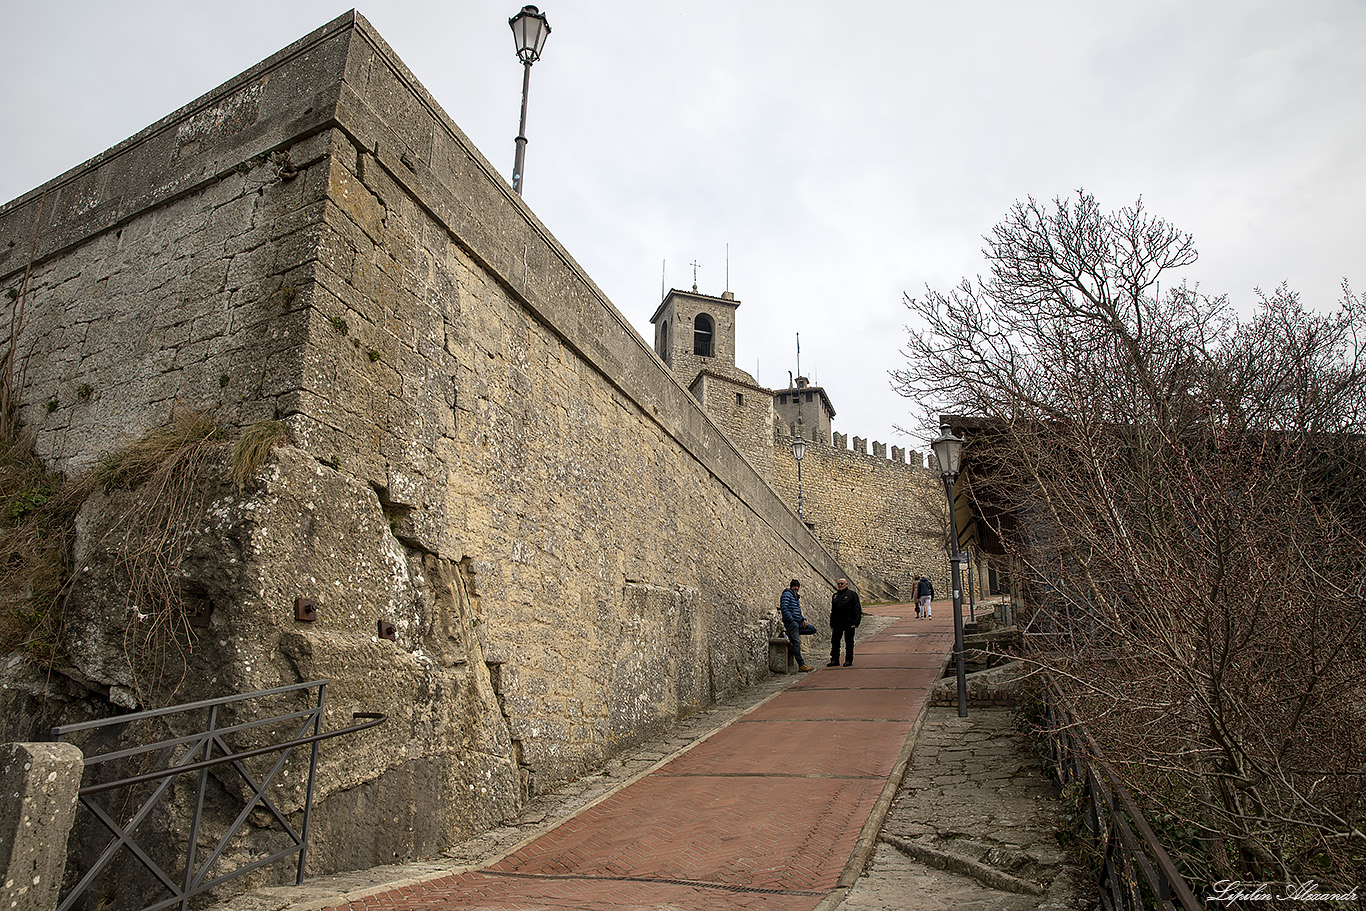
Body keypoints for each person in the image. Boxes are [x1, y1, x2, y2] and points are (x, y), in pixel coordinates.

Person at [779, 579, 814, 672]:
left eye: (797, 587)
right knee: (796, 643)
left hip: (797, 622)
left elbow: (798, 611)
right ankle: (801, 665)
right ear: (791, 586)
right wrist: (791, 621)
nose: (796, 588)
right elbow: (784, 608)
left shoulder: (795, 597)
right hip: (792, 623)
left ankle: (790, 633)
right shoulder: (787, 594)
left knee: (812, 629)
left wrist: (803, 619)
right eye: (795, 586)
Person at [828, 578, 862, 666]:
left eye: (842, 584)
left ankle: (848, 660)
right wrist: (832, 622)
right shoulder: (835, 596)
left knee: (849, 642)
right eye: (838, 584)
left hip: (849, 622)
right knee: (835, 642)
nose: (840, 585)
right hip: (837, 622)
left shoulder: (852, 595)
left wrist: (856, 622)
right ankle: (834, 659)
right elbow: (833, 610)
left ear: (846, 584)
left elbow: (857, 609)